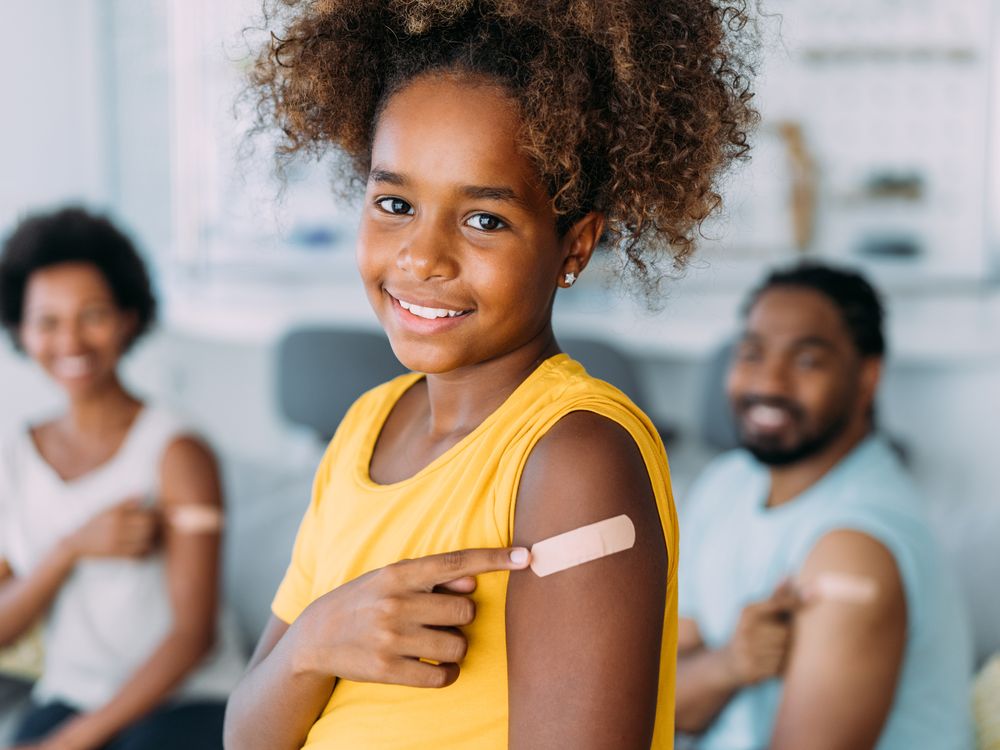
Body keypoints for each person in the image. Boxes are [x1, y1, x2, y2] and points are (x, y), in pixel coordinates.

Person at [223, 2, 757, 748]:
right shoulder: (363, 427)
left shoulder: (575, 462)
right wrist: (317, 640)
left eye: (484, 220)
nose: (421, 257)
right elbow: (247, 734)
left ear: (575, 246)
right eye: (395, 203)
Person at [675, 263, 973, 749]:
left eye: (807, 361)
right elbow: (664, 701)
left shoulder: (855, 547)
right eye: (751, 353)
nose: (768, 383)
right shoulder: (724, 484)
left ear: (866, 378)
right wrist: (729, 664)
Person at [0, 208, 246, 750]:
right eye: (47, 321)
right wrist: (71, 548)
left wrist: (72, 743)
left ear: (129, 317)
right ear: (21, 329)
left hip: (187, 699)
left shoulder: (178, 453)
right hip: (69, 697)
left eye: (93, 315)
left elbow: (192, 636)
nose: (71, 341)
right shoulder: (17, 457)